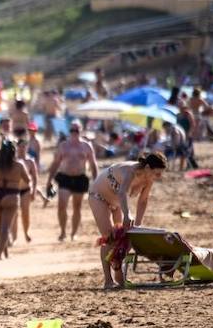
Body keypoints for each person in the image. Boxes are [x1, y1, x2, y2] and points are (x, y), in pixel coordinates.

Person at [89, 152, 168, 289]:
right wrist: (127, 214)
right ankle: (108, 280)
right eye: (157, 173)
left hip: (117, 203)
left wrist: (138, 224)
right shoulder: (130, 171)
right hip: (99, 197)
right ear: (148, 168)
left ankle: (119, 275)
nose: (159, 177)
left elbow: (143, 201)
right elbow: (122, 192)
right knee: (109, 238)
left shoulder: (149, 179)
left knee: (124, 238)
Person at [47, 121, 98, 242]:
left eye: (77, 130)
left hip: (80, 178)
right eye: (72, 130)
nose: (74, 132)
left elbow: (93, 164)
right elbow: (55, 163)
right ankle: (63, 232)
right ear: (69, 131)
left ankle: (74, 233)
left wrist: (96, 180)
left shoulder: (86, 146)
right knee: (61, 206)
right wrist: (49, 180)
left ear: (81, 131)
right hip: (65, 177)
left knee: (77, 207)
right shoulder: (63, 145)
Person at [0, 141, 31, 261]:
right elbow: (28, 180)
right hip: (11, 194)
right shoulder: (18, 165)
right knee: (6, 227)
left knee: (0, 226)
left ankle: (6, 253)